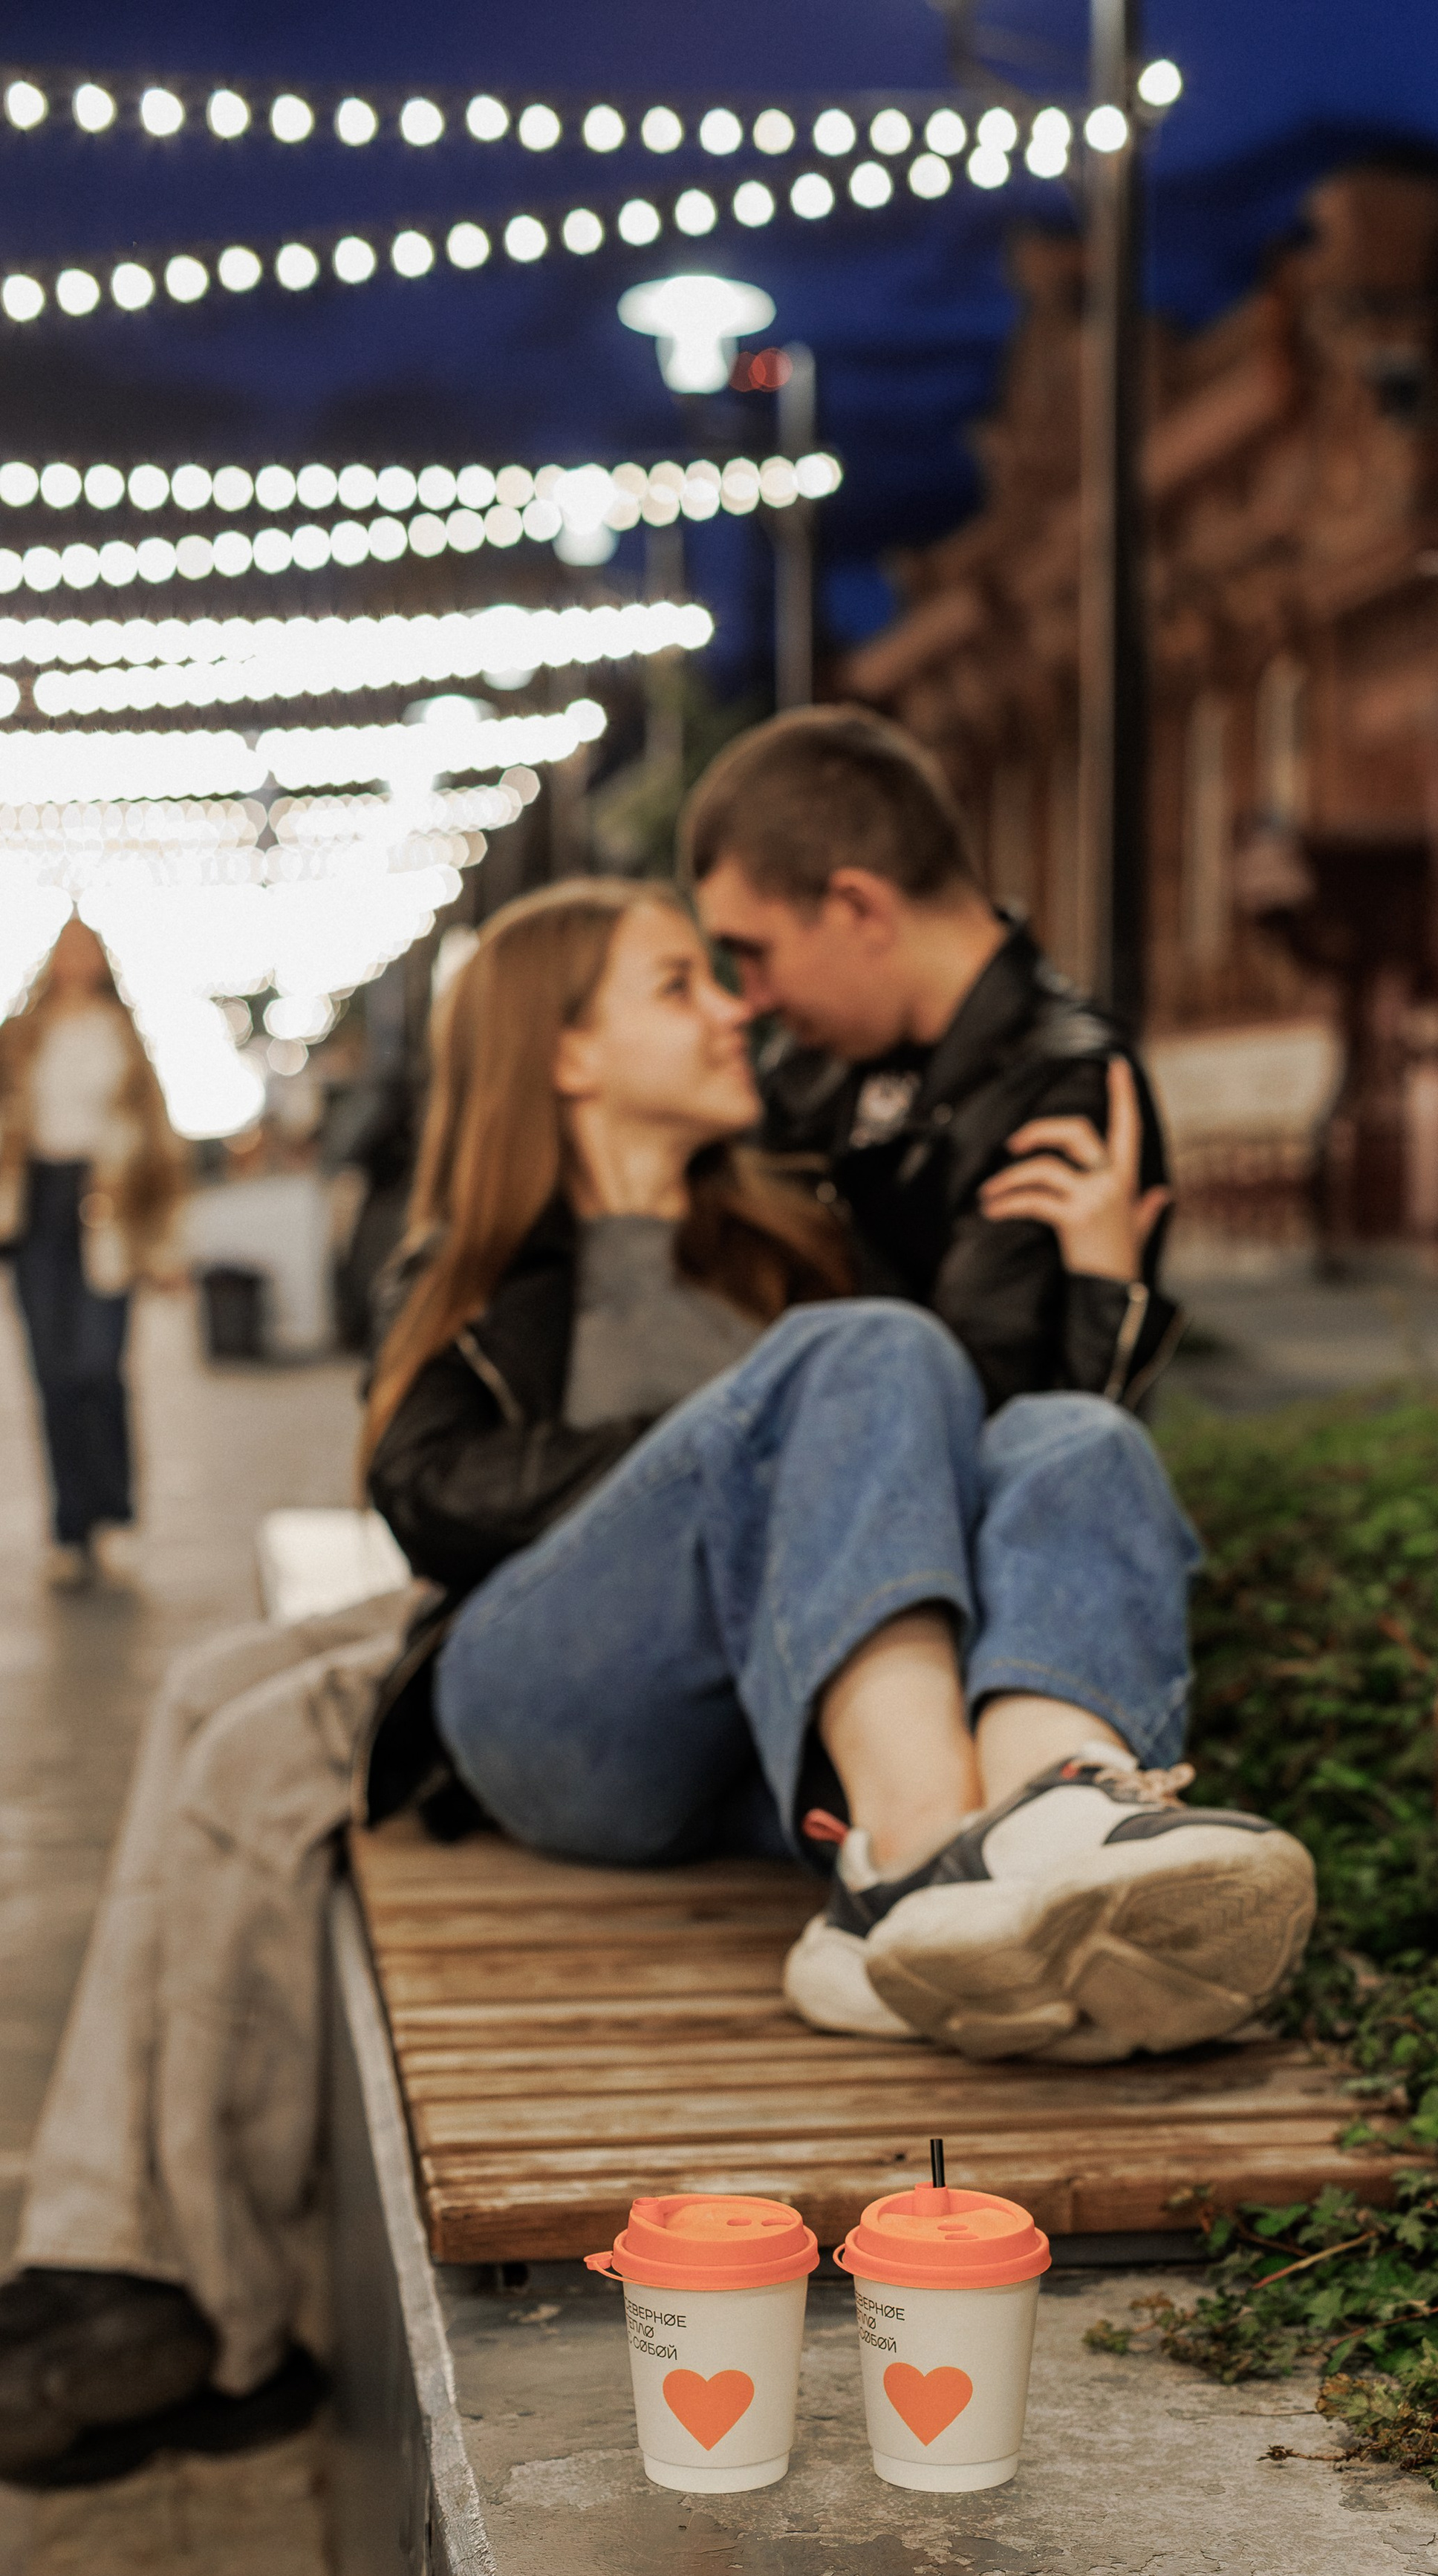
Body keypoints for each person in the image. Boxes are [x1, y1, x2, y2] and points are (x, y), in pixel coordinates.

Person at [1, 870, 1311, 2480]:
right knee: (864, 1349)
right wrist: (725, 1456)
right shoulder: (480, 1260)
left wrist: (1101, 1292)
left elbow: (968, 1470)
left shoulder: (797, 1232)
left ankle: (1043, 1826)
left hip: (778, 1743)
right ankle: (916, 1868)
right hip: (556, 1713)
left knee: (1073, 1435)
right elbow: (428, 1488)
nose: (732, 1009)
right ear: (566, 1051)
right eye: (680, 983)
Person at [683, 704, 1187, 1415]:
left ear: (857, 907)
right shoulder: (809, 1072)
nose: (750, 998)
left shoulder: (1061, 1083)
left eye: (752, 952)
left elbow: (960, 1414)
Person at [0, 916, 187, 1586]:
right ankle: (71, 1527)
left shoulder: (124, 1038)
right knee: (52, 1374)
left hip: (106, 1203)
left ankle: (114, 1512)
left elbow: (159, 1147)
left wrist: (165, 1245)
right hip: (38, 1208)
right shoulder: (21, 1037)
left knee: (100, 1366)